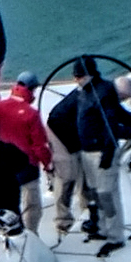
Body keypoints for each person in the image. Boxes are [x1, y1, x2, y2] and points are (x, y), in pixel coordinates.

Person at [73, 56, 131, 243]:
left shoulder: (104, 90)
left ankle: (115, 237)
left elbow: (112, 121)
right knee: (96, 194)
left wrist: (108, 152)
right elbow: (120, 112)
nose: (76, 79)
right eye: (75, 76)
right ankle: (103, 229)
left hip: (101, 152)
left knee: (107, 194)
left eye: (79, 75)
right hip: (87, 151)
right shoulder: (84, 91)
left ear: (90, 74)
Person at [0, 71, 52, 232]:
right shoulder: (31, 114)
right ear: (32, 90)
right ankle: (31, 237)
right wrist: (48, 166)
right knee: (32, 208)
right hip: (27, 168)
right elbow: (39, 145)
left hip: (5, 169)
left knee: (10, 207)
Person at [45, 83, 87, 236]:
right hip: (59, 132)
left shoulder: (100, 95)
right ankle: (62, 221)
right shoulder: (92, 100)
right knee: (66, 177)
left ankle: (87, 211)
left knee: (85, 173)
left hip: (75, 132)